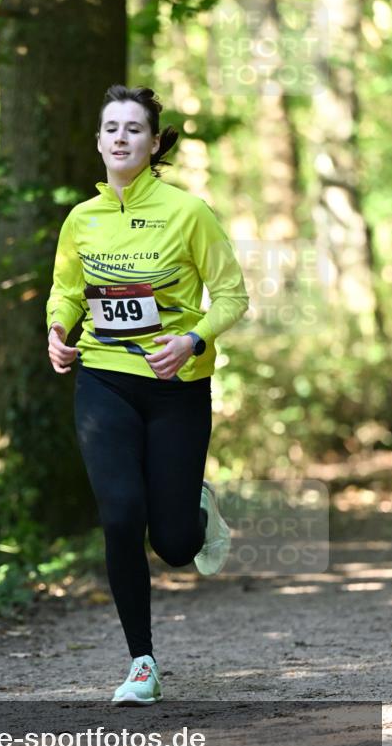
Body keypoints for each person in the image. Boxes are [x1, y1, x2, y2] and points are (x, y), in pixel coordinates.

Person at [45, 84, 249, 706]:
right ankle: (142, 662)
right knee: (119, 513)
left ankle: (196, 509)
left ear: (154, 143)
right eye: (111, 127)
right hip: (103, 379)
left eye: (134, 129)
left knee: (176, 546)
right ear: (99, 140)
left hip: (175, 387)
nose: (121, 138)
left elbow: (234, 297)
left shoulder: (190, 213)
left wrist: (192, 339)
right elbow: (68, 291)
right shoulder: (82, 219)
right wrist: (57, 330)